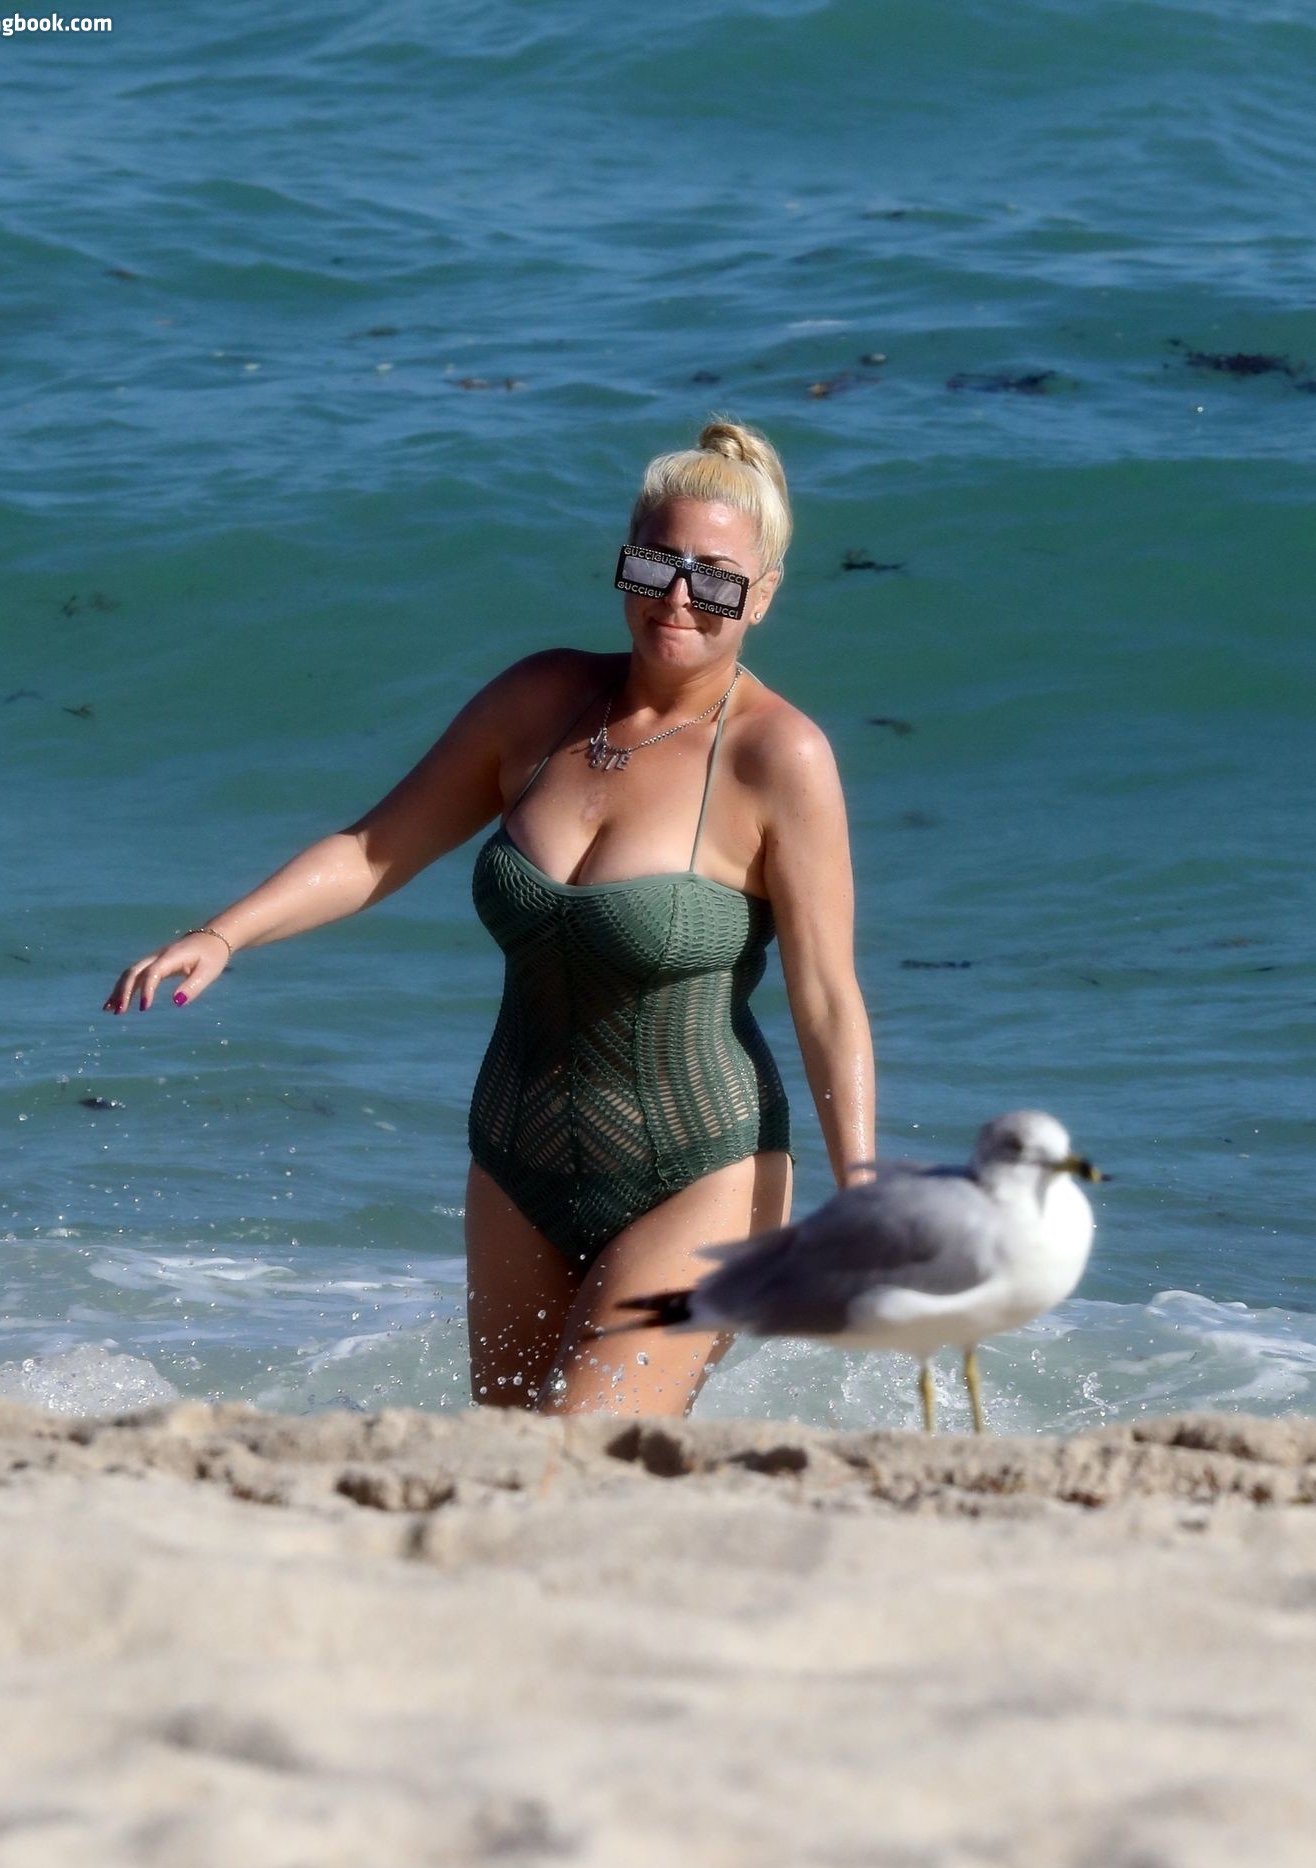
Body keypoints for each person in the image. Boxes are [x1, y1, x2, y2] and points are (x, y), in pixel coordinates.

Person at [104, 418, 875, 1418]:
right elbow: (375, 848)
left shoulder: (778, 757)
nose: (679, 598)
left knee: (579, 1451)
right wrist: (223, 934)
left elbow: (826, 999)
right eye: (656, 562)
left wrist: (864, 1196)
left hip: (702, 1170)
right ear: (624, 562)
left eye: (717, 580)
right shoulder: (540, 701)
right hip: (515, 1165)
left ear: (761, 596)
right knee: (502, 1459)